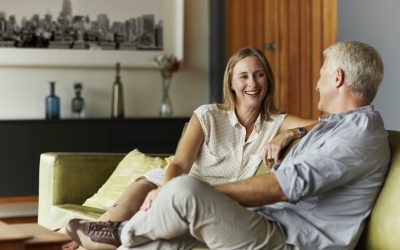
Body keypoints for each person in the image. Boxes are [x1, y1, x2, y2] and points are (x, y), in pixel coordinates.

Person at [67, 41, 390, 249]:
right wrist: (291, 134)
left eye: (321, 75)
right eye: (243, 77)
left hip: (291, 240)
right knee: (159, 244)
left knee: (185, 191)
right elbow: (179, 163)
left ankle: (120, 232)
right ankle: (119, 236)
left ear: (337, 78)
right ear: (231, 83)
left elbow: (283, 186)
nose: (316, 84)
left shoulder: (358, 134)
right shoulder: (336, 126)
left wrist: (205, 196)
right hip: (267, 223)